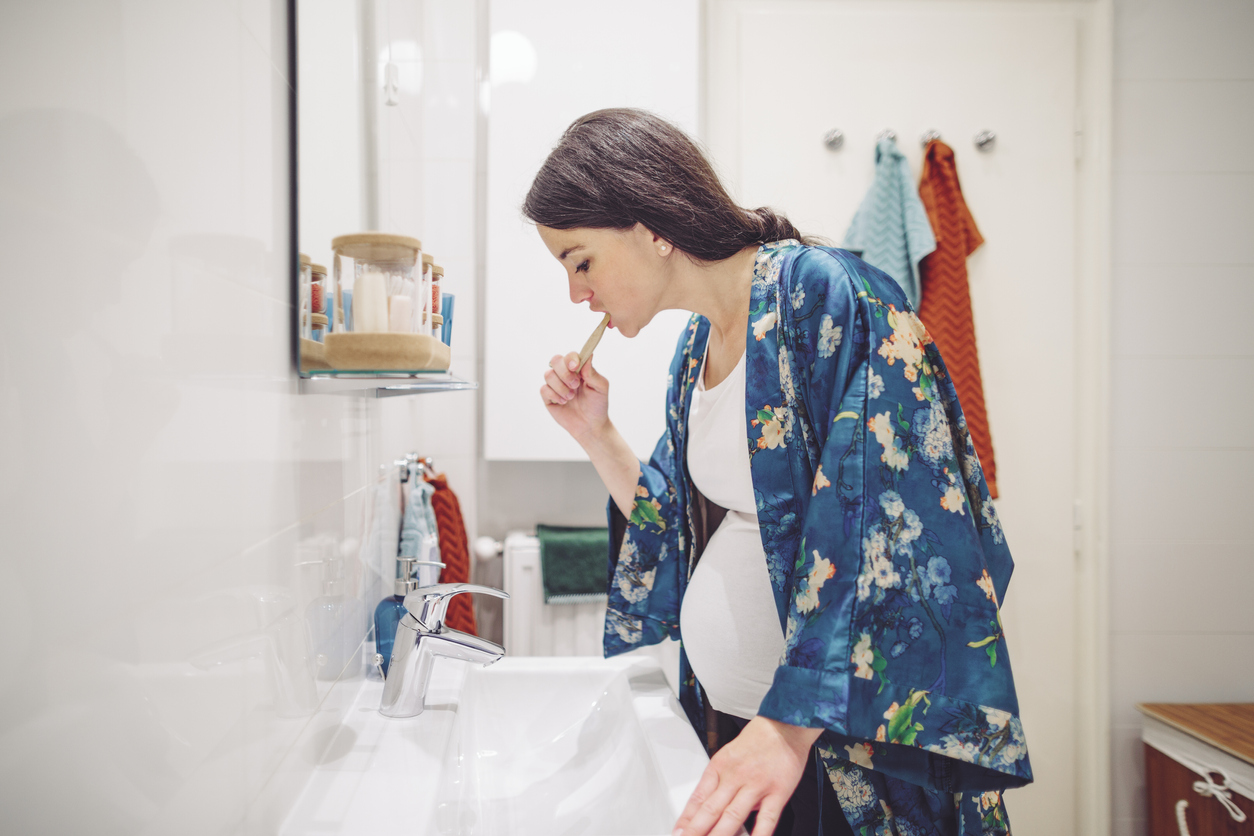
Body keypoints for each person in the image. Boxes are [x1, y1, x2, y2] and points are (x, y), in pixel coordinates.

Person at [528, 108, 1031, 836]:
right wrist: (597, 434)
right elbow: (680, 533)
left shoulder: (827, 296)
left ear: (649, 225)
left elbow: (903, 530)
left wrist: (789, 727)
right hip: (750, 735)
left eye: (581, 261)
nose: (578, 294)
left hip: (835, 751)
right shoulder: (693, 353)